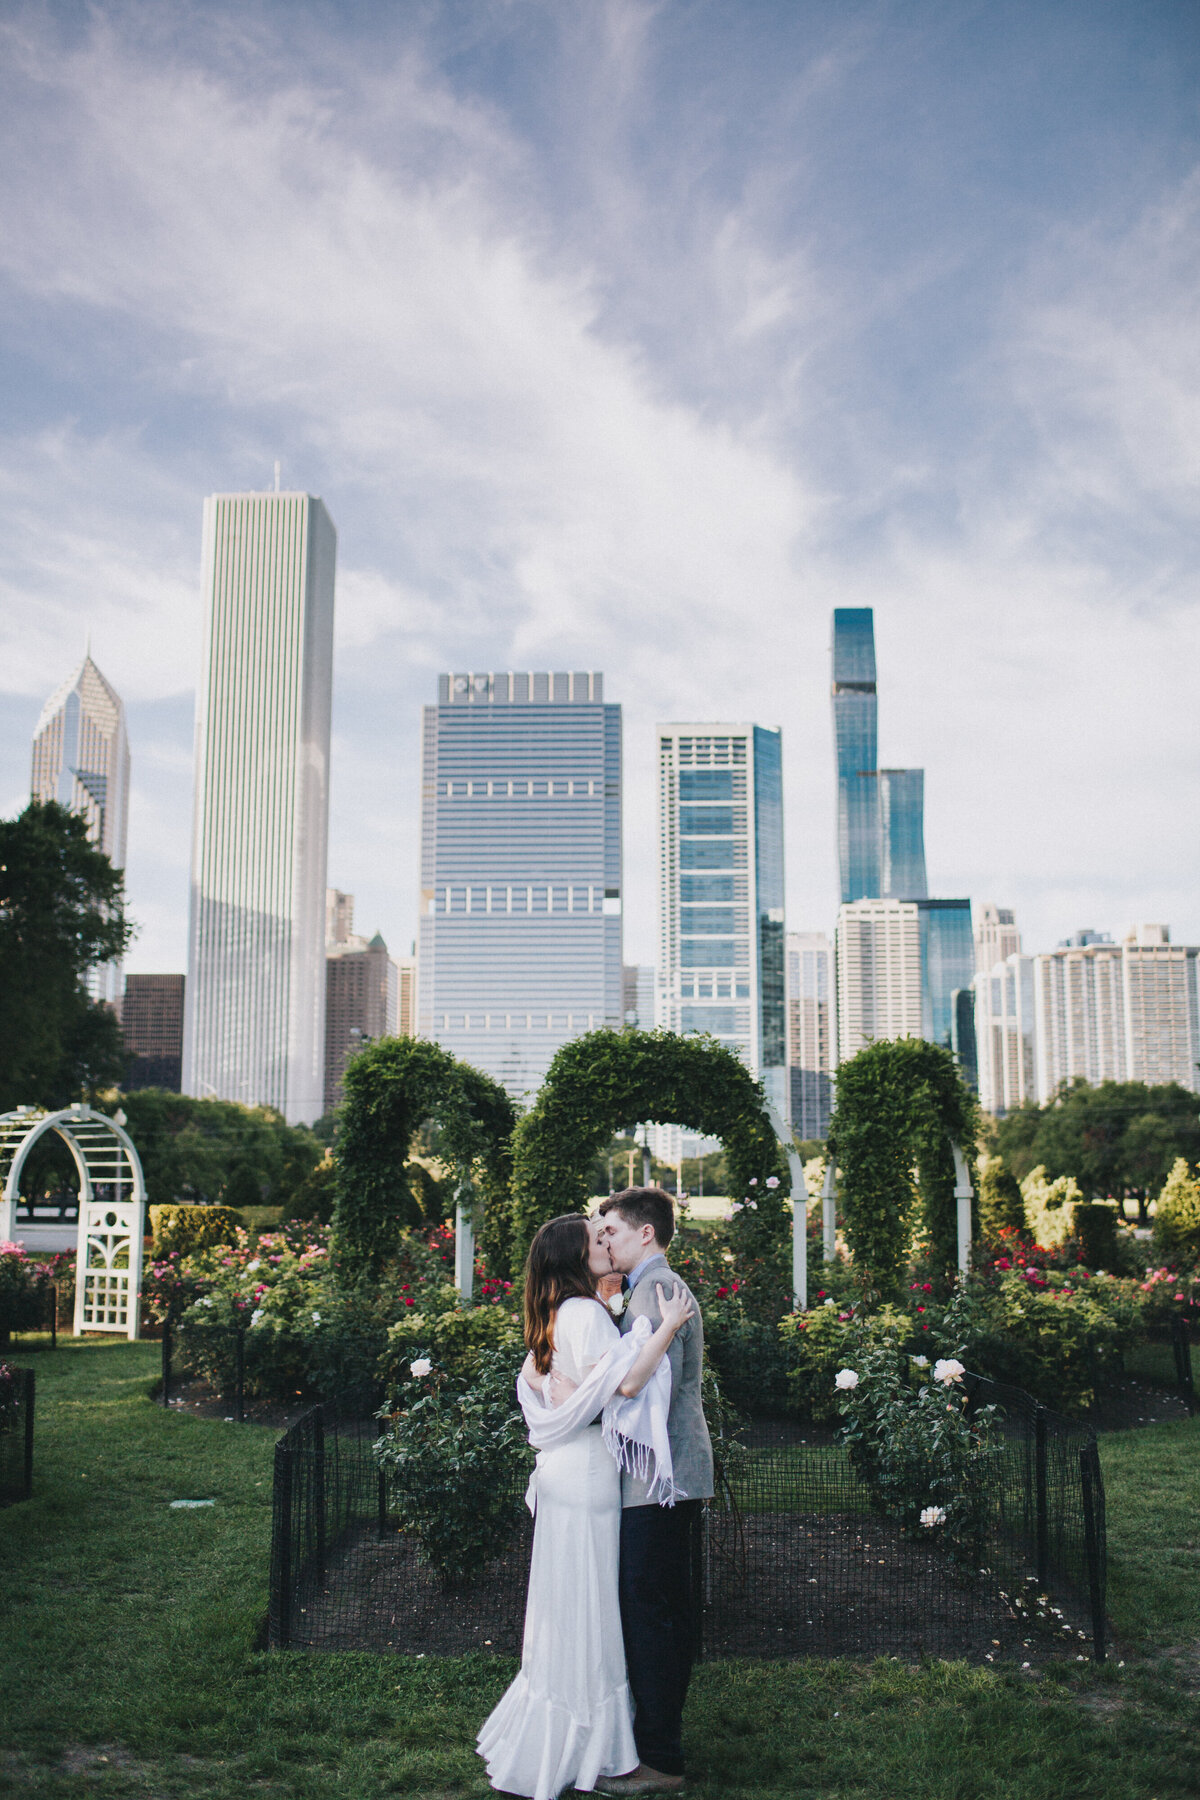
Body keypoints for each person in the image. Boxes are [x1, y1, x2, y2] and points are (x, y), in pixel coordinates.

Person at [477, 1213, 694, 1800]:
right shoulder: (585, 1314)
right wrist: (667, 1327)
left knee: (564, 1606)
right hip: (590, 1478)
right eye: (596, 1241)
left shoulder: (555, 1313)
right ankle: (592, 1747)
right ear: (575, 1258)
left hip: (560, 1476)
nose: (606, 1244)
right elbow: (622, 1388)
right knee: (592, 1608)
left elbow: (570, 1386)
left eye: (608, 1235)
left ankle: (561, 1734)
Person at [594, 1188, 713, 1797]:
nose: (603, 1239)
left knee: (653, 1615)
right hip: (666, 1477)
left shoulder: (655, 1291)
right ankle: (655, 1742)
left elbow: (633, 1388)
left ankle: (661, 1760)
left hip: (659, 1483)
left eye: (610, 1229)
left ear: (646, 1234)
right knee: (658, 1609)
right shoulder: (648, 1289)